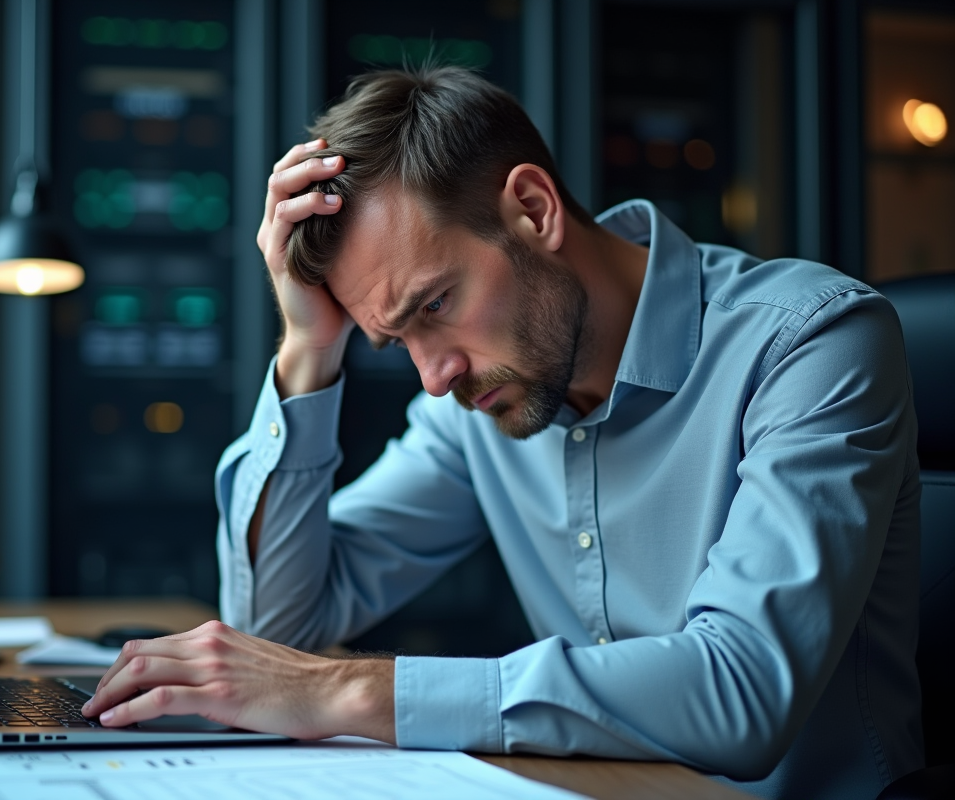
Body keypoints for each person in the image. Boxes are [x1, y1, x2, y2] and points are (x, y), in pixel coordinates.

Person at [83, 66, 923, 799]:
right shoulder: (482, 398)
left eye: (435, 306)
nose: (434, 376)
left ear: (532, 208)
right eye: (396, 340)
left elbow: (742, 691)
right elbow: (279, 630)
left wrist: (349, 692)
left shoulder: (809, 342)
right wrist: (308, 350)